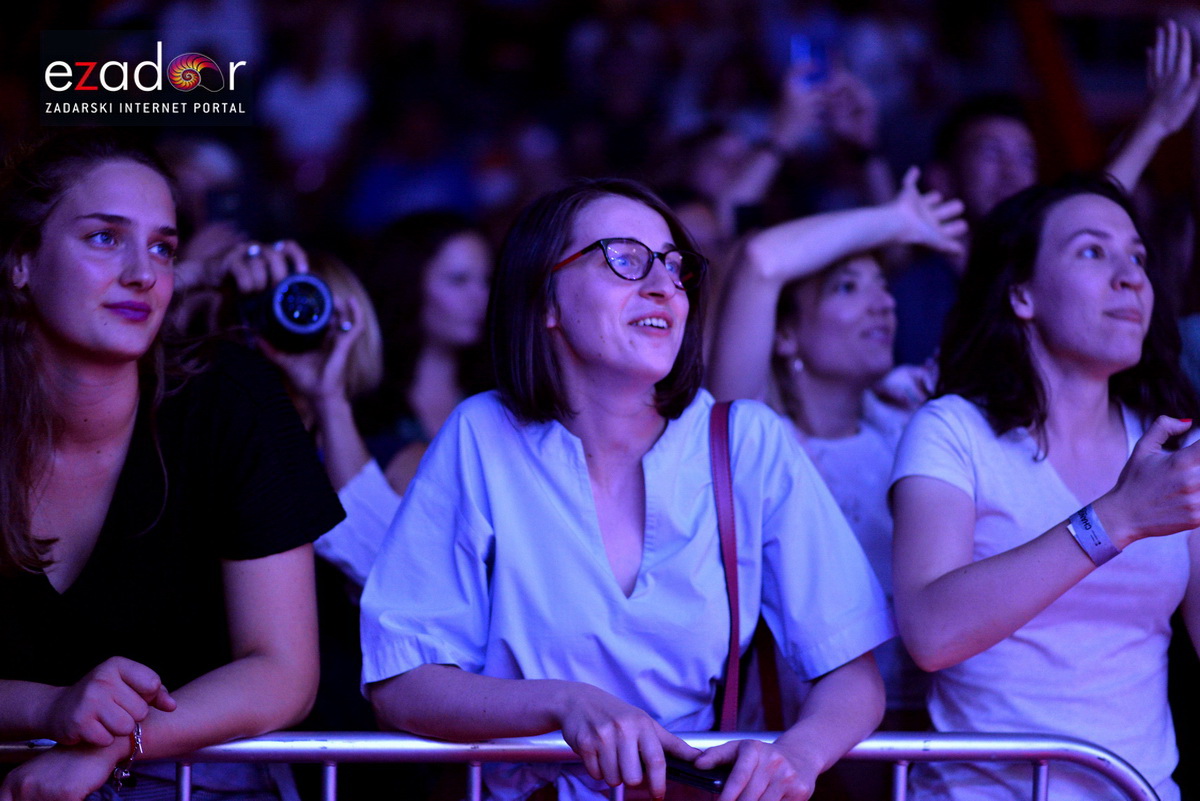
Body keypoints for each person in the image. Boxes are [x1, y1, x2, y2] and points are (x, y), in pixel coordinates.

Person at [361, 178, 893, 801]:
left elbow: (852, 675)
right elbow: (401, 683)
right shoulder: (482, 434)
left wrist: (797, 755)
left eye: (674, 265)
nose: (664, 285)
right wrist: (565, 703)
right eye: (624, 258)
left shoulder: (745, 441)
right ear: (545, 300)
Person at [0, 131, 344, 801]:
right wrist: (50, 708)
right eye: (105, 237)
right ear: (20, 262)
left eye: (163, 247)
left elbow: (283, 671)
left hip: (201, 783)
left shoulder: (229, 398)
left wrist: (113, 744)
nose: (143, 273)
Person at [891, 174, 1200, 801]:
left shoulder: (1169, 443)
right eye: (1092, 251)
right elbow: (929, 631)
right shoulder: (953, 429)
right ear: (1022, 293)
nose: (1130, 277)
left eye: (1138, 257)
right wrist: (1115, 519)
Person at [708, 167, 965, 731]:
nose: (883, 305)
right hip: (801, 738)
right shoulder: (757, 438)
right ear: (784, 334)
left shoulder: (914, 423)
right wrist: (895, 220)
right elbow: (760, 262)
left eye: (882, 286)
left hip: (924, 731)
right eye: (848, 288)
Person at [355, 210, 493, 494]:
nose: (481, 297)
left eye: (486, 280)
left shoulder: (499, 392)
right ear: (409, 284)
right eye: (458, 280)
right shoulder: (365, 398)